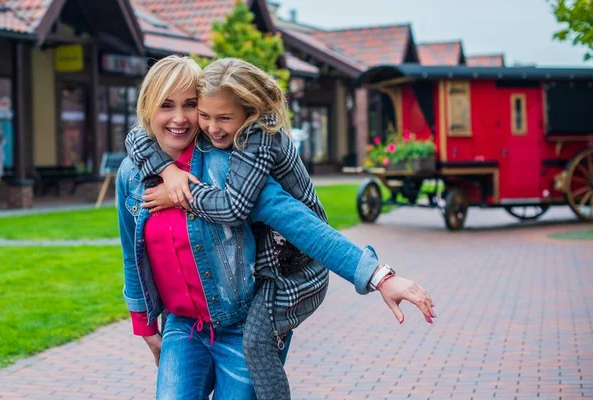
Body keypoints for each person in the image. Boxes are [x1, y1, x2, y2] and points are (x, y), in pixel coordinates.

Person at [118, 55, 435, 400]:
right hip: (182, 326)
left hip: (238, 326)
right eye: (166, 105)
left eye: (191, 105)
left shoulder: (233, 167)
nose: (180, 118)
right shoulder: (131, 175)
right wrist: (144, 324)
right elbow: (132, 254)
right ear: (147, 108)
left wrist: (380, 277)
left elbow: (302, 225)